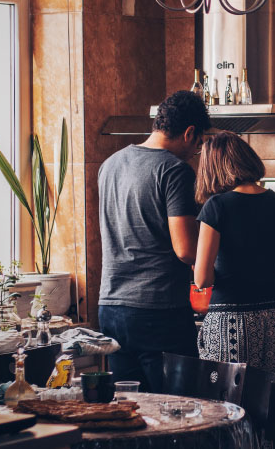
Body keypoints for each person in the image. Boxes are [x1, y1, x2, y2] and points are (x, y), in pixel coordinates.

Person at [97, 90, 211, 392]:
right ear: (189, 133)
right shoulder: (175, 171)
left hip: (110, 307)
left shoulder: (109, 165)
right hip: (157, 311)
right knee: (180, 413)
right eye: (198, 145)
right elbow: (186, 250)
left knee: (131, 412)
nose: (194, 153)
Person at [193, 131, 275, 378]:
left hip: (229, 322)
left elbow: (202, 279)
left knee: (228, 406)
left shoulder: (217, 206)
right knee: (273, 401)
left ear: (213, 168)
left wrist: (202, 269)